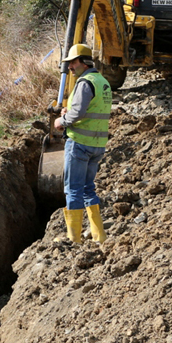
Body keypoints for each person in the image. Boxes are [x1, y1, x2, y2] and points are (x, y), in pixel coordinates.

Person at [54, 44, 111, 244]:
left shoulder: (85, 82)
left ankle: (74, 238)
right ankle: (99, 236)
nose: (70, 67)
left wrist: (61, 121)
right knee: (88, 188)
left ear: (83, 62)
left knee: (73, 189)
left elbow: (78, 113)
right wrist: (68, 113)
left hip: (79, 143)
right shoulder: (102, 82)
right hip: (97, 145)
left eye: (72, 62)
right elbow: (90, 110)